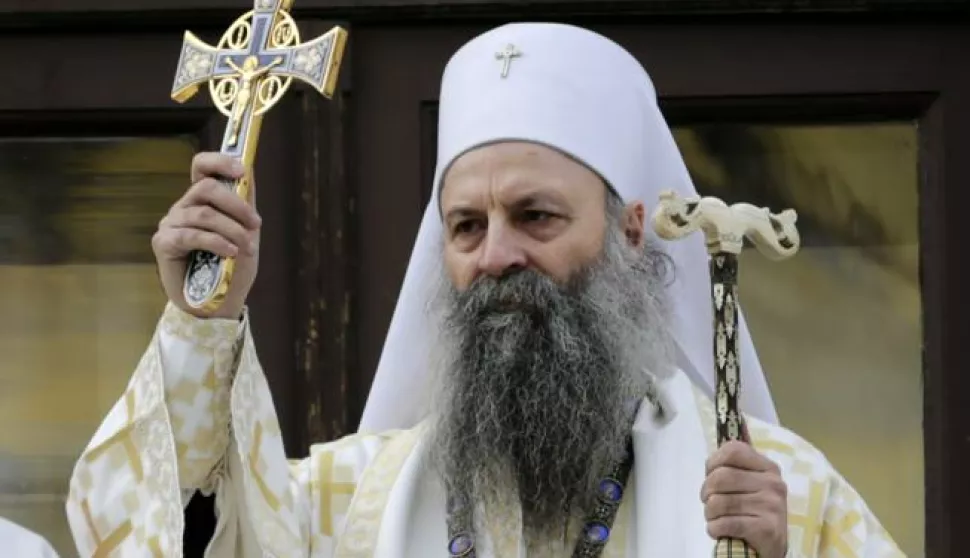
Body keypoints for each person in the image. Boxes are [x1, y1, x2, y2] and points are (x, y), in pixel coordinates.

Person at [65, 22, 904, 558]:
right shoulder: (352, 504)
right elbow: (178, 535)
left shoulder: (772, 487)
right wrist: (204, 321)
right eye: (466, 226)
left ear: (630, 233)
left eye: (536, 216)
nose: (497, 255)